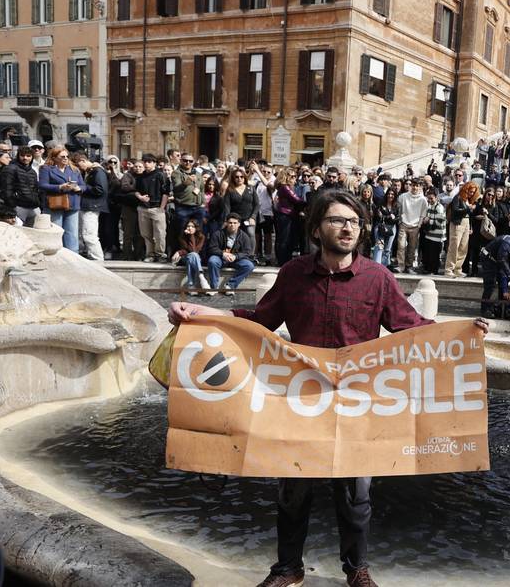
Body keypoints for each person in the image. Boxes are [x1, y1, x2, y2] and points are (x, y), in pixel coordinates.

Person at [170, 189, 490, 587]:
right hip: (300, 401)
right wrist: (203, 314)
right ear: (317, 229)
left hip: (358, 403)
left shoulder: (378, 278)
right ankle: (288, 568)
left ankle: (356, 569)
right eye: (338, 220)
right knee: (292, 492)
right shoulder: (293, 275)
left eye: (354, 222)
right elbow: (258, 322)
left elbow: (412, 327)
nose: (347, 228)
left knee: (356, 497)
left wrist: (463, 334)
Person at [37, 146, 86, 251]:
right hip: (55, 204)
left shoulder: (74, 170)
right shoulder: (46, 169)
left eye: (67, 156)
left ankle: (74, 258)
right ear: (54, 158)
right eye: (62, 156)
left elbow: (83, 185)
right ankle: (56, 256)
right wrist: (59, 187)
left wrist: (79, 188)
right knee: (56, 232)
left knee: (72, 234)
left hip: (73, 203)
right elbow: (42, 185)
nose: (65, 158)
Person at [205, 213, 257, 294]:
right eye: (230, 223)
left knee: (249, 265)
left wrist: (235, 256)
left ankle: (230, 286)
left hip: (236, 260)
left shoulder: (244, 236)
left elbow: (247, 252)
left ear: (239, 224)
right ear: (226, 223)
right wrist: (223, 254)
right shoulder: (218, 234)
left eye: (235, 223)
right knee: (212, 261)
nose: (232, 225)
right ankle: (214, 287)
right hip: (221, 258)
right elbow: (212, 248)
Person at [480, 232, 510, 318]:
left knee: (503, 281)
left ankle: (502, 308)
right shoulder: (507, 243)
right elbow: (502, 259)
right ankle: (484, 309)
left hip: (498, 261)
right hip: (489, 259)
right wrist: (509, 274)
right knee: (490, 284)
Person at [78, 156, 109, 261]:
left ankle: (98, 258)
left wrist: (84, 187)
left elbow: (100, 190)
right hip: (88, 206)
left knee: (89, 235)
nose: (79, 167)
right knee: (87, 234)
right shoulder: (91, 171)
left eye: (79, 164)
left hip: (92, 206)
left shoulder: (98, 171)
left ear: (83, 160)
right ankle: (93, 256)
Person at [444, 182, 476, 278]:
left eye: (473, 192)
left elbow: (469, 215)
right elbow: (455, 210)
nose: (471, 194)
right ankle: (449, 269)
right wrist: (468, 208)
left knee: (463, 247)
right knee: (454, 247)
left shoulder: (468, 200)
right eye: (470, 191)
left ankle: (458, 269)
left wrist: (470, 226)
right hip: (457, 223)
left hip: (466, 222)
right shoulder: (457, 198)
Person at [396, 179, 428, 273]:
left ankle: (409, 266)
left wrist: (419, 225)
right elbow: (399, 209)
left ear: (420, 187)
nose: (415, 187)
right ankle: (400, 266)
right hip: (404, 224)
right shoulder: (403, 196)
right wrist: (400, 221)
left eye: (417, 185)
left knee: (412, 247)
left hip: (415, 226)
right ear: (411, 186)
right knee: (401, 246)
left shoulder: (423, 199)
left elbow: (423, 213)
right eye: (413, 185)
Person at [172, 218, 207, 294]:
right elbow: (191, 250)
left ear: (196, 228)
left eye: (192, 226)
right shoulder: (182, 236)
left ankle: (191, 286)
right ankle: (201, 276)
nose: (190, 228)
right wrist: (191, 235)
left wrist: (179, 252)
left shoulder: (201, 237)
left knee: (192, 257)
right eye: (188, 226)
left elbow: (195, 250)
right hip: (184, 258)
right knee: (192, 255)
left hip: (195, 259)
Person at [419, 187, 446, 274]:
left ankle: (434, 271)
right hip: (430, 235)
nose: (430, 200)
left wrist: (428, 220)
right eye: (428, 198)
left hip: (437, 237)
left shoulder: (439, 207)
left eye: (431, 198)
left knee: (435, 255)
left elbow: (439, 222)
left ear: (436, 197)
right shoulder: (430, 206)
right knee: (429, 254)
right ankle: (429, 269)